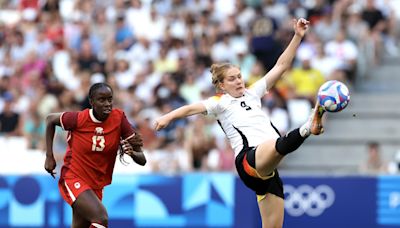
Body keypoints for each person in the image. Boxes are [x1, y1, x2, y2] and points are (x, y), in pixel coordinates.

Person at [155, 18, 325, 228]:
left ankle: (306, 128)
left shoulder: (252, 93)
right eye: (232, 79)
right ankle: (308, 127)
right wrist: (167, 117)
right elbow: (191, 108)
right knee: (278, 145)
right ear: (221, 86)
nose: (239, 81)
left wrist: (298, 36)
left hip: (267, 169)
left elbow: (281, 66)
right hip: (248, 160)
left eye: (239, 76)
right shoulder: (221, 102)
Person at [44, 82, 146, 228]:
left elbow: (142, 160)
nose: (107, 104)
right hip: (73, 177)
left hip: (95, 185)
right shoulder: (79, 119)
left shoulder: (119, 119)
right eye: (102, 100)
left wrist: (132, 153)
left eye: (110, 99)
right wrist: (49, 156)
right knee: (101, 218)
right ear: (91, 101)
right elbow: (50, 120)